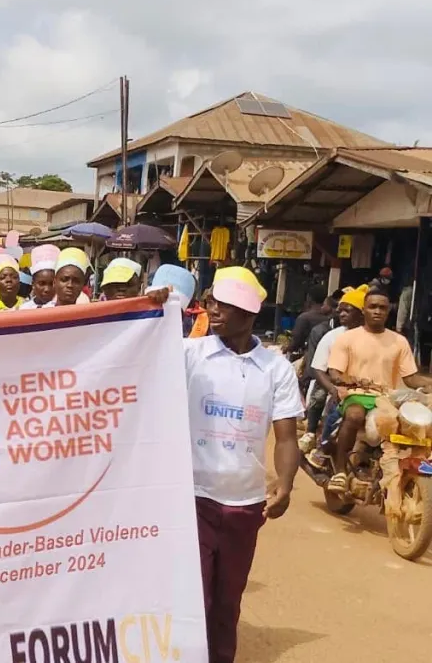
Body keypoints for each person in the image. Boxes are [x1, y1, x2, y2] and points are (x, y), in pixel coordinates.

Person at [184, 266, 303, 663]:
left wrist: (284, 484)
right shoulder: (189, 354)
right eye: (211, 302)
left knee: (227, 602)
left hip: (244, 507)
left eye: (223, 304)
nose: (212, 309)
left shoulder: (275, 369)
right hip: (191, 500)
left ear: (249, 312)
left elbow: (287, 435)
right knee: (192, 598)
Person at [325, 287, 432, 493]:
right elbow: (335, 372)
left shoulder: (399, 341)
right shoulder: (347, 338)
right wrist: (351, 380)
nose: (377, 311)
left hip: (387, 400)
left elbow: (410, 378)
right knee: (355, 415)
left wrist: (428, 386)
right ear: (364, 309)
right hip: (356, 395)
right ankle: (339, 472)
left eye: (382, 307)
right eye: (372, 306)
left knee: (415, 426)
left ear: (388, 311)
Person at [300, 287, 366, 463]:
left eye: (347, 310)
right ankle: (317, 439)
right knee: (322, 399)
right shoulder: (332, 337)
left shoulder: (378, 339)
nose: (342, 314)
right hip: (336, 385)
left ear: (361, 313)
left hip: (368, 391)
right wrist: (333, 389)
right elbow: (318, 369)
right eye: (341, 310)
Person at [287, 285, 330, 361]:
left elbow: (295, 343)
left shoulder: (304, 317)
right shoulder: (329, 317)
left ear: (309, 298)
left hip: (308, 359)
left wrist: (284, 350)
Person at [20, 244, 60, 310]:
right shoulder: (24, 309)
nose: (47, 289)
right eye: (42, 284)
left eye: (52, 284)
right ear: (33, 284)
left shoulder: (61, 308)